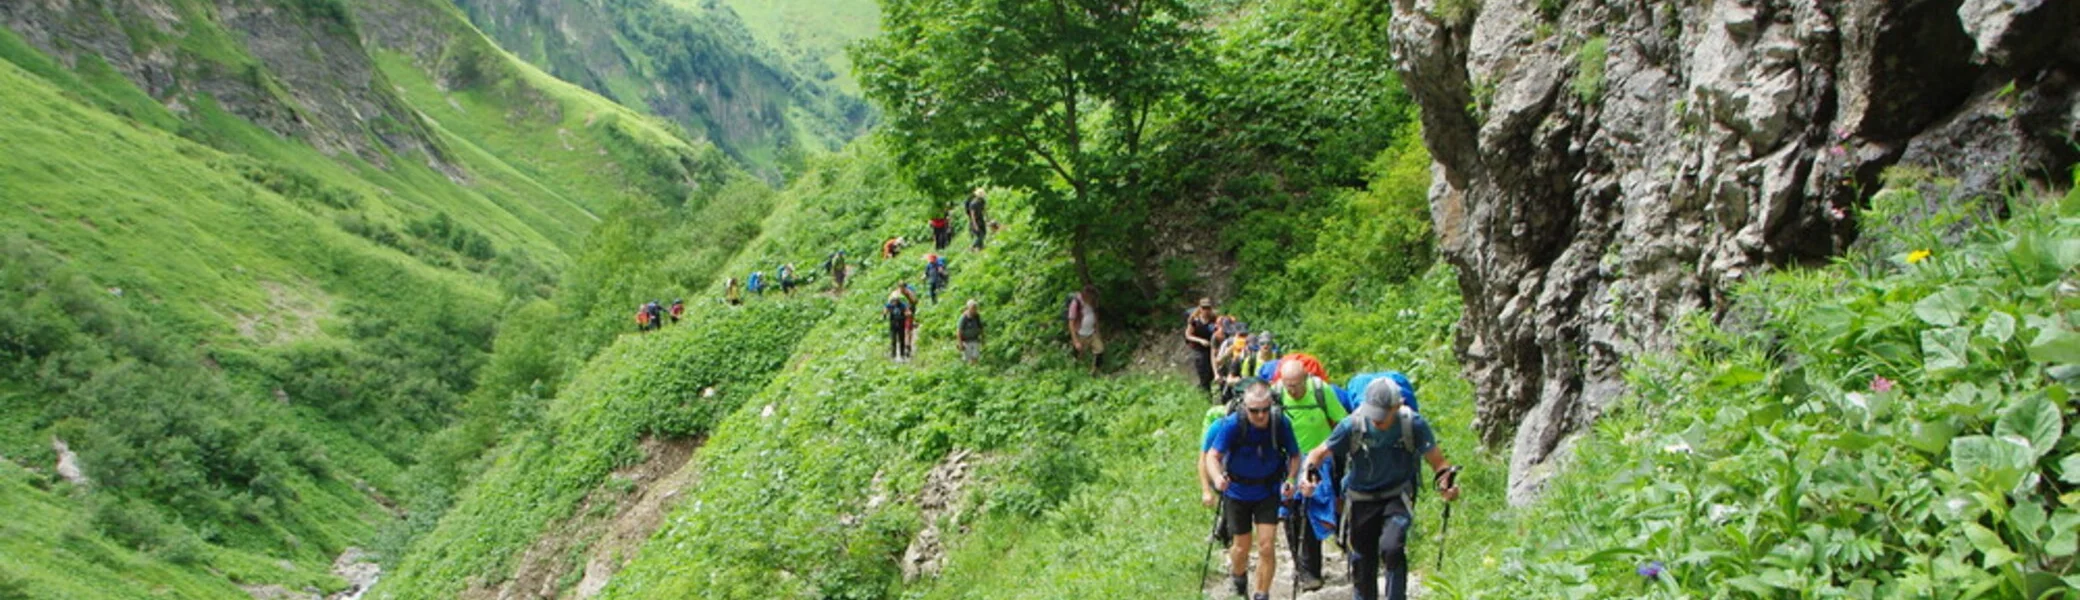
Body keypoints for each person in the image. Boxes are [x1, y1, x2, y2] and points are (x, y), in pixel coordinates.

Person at [1300, 379, 1462, 600]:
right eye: (1373, 412)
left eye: (1382, 414)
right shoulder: (1352, 425)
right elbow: (1318, 454)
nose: (1376, 419)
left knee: (1392, 548)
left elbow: (1439, 463)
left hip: (1397, 495)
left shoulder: (1412, 424)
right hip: (1360, 498)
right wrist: (1307, 477)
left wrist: (1447, 485)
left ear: (1397, 406)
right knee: (1362, 557)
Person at [1203, 382, 1299, 600]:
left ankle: (1261, 594)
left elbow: (1294, 454)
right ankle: (1238, 579)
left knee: (1266, 546)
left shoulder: (1279, 423)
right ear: (1245, 408)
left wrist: (1291, 479)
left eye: (1265, 409)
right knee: (1241, 547)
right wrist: (1217, 478)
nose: (1261, 415)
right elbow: (1212, 456)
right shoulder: (1233, 424)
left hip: (1268, 490)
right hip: (1237, 491)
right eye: (1255, 411)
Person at [1274, 360, 1350, 591]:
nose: (1292, 391)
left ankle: (1311, 570)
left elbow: (1342, 422)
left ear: (1305, 379)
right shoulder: (1276, 394)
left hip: (1320, 461)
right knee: (1290, 511)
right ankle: (1303, 568)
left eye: (1296, 385)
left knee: (1311, 508)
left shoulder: (1321, 391)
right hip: (1288, 460)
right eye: (1288, 385)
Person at [1065, 286, 1102, 375]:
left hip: (1092, 333)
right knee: (1079, 354)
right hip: (1080, 334)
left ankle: (1095, 372)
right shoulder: (1076, 303)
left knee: (1100, 350)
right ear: (1086, 296)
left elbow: (1095, 317)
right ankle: (1075, 372)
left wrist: (1098, 331)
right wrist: (1075, 341)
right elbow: (1071, 323)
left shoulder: (1093, 303)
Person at [1185, 298, 1218, 396]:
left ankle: (1205, 389)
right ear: (1200, 308)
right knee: (1203, 372)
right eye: (1204, 308)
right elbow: (1188, 335)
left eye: (1208, 308)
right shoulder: (1194, 321)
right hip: (1200, 349)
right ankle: (1206, 395)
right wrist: (1200, 340)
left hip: (1212, 348)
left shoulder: (1214, 319)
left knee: (1212, 373)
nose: (1206, 310)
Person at [884, 287, 913, 361]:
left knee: (901, 340)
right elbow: (885, 309)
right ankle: (893, 355)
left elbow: (907, 311)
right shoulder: (890, 305)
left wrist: (908, 313)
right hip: (893, 325)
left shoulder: (902, 305)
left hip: (901, 324)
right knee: (893, 340)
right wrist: (885, 313)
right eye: (894, 300)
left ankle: (902, 355)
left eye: (896, 300)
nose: (895, 301)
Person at [956, 299, 985, 364]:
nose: (974, 310)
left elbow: (981, 328)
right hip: (966, 341)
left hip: (975, 339)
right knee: (967, 358)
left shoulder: (977, 316)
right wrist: (960, 343)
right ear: (968, 308)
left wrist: (983, 339)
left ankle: (974, 370)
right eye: (973, 308)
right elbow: (958, 331)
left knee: (975, 356)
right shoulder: (963, 317)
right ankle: (968, 371)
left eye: (975, 308)